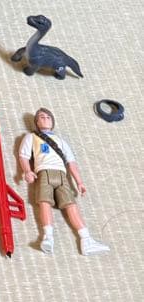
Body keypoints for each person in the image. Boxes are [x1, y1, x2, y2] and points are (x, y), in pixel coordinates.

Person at [18, 107, 109, 256]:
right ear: (36, 122)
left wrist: (79, 182)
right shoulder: (31, 137)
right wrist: (27, 171)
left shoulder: (60, 141)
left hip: (62, 175)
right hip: (44, 172)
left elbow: (71, 162)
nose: (45, 119)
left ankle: (86, 239)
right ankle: (48, 237)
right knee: (44, 201)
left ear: (52, 122)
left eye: (48, 117)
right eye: (41, 117)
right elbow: (23, 155)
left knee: (71, 204)